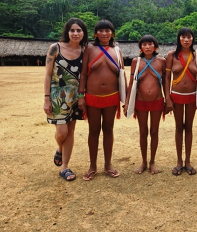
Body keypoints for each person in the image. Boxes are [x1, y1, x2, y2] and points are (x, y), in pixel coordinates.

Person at [78, 20, 125, 181]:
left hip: (112, 97)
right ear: (95, 34)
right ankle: (92, 166)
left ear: (112, 33)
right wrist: (80, 95)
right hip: (92, 97)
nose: (104, 33)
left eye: (108, 31)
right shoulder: (89, 49)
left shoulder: (117, 51)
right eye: (101, 31)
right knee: (93, 130)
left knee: (108, 129)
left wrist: (125, 98)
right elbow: (83, 74)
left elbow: (122, 76)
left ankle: (108, 165)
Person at [43, 18, 88, 181]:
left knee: (71, 130)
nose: (75, 33)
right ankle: (60, 149)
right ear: (67, 32)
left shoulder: (85, 50)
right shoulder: (55, 48)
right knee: (62, 132)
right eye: (72, 30)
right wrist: (46, 98)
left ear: (83, 33)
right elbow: (48, 74)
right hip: (57, 97)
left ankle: (65, 167)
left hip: (77, 97)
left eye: (79, 30)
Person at [124, 35, 166, 175]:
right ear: (140, 47)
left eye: (150, 44)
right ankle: (143, 161)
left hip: (157, 101)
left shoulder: (161, 61)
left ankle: (152, 161)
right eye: (145, 44)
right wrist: (127, 103)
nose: (147, 47)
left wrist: (168, 100)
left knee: (154, 132)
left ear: (155, 47)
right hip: (140, 102)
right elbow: (132, 83)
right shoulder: (136, 61)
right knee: (143, 132)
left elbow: (165, 82)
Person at [165, 28, 197, 176]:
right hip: (176, 95)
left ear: (192, 39)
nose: (186, 40)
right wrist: (167, 98)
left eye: (189, 37)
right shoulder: (172, 55)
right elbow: (166, 78)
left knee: (189, 127)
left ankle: (188, 161)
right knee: (179, 127)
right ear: (179, 39)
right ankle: (179, 161)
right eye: (183, 37)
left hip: (192, 95)